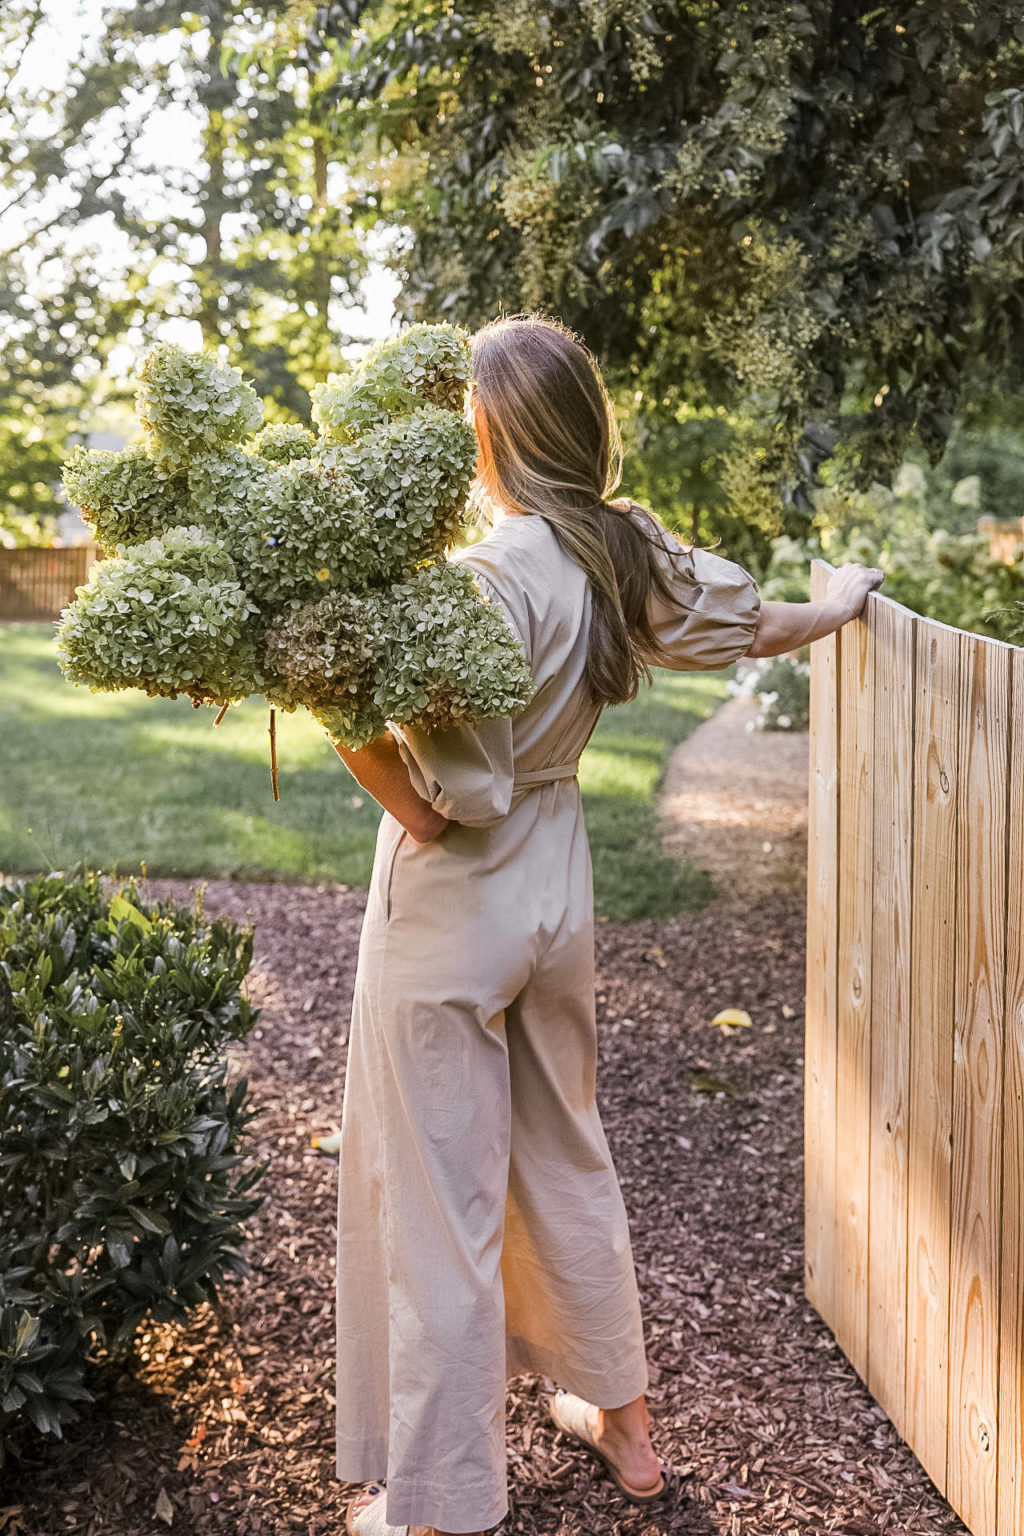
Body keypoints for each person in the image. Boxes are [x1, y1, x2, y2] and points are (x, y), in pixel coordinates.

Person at [326, 313, 883, 1536]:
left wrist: (332, 712)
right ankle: (623, 1428)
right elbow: (755, 623)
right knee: (566, 1149)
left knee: (441, 1206)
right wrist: (839, 604)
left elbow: (436, 809)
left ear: (484, 433)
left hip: (453, 903)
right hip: (556, 888)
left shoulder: (472, 583)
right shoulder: (618, 552)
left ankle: (439, 1507)